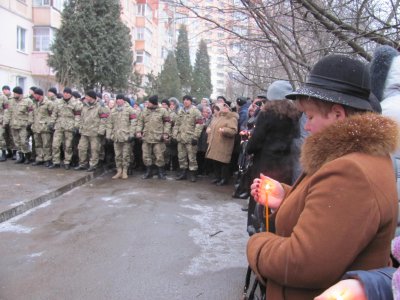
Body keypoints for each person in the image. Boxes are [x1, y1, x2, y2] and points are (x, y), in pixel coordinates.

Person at [246, 54, 399, 300]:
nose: (306, 126)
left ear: (338, 115)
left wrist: (258, 244)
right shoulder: (356, 156)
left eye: (312, 116)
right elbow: (332, 221)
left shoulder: (351, 172)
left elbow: (303, 262)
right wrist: (287, 196)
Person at [245, 80, 300, 235]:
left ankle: (256, 229)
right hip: (285, 166)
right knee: (279, 199)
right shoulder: (295, 115)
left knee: (259, 197)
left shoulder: (267, 114)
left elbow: (256, 141)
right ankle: (275, 229)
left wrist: (248, 148)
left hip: (265, 164)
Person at [136, 95, 171, 180]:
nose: (148, 103)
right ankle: (148, 172)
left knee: (159, 156)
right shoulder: (144, 111)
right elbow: (140, 122)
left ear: (154, 103)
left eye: (149, 102)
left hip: (158, 138)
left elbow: (167, 123)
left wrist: (165, 133)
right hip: (146, 137)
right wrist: (138, 131)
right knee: (146, 156)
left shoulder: (162, 111)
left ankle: (160, 172)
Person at [74, 90, 109, 172]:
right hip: (84, 131)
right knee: (81, 148)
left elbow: (104, 119)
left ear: (91, 97)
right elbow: (80, 116)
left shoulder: (100, 106)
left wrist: (101, 131)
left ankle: (93, 165)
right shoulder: (84, 106)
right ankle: (82, 164)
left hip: (95, 132)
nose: (85, 98)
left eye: (87, 96)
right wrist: (78, 127)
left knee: (94, 149)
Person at [48, 87, 82, 169]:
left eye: (67, 93)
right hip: (59, 125)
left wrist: (76, 126)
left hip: (70, 126)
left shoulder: (76, 103)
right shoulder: (58, 102)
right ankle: (56, 162)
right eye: (64, 93)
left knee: (68, 146)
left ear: (70, 94)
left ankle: (67, 162)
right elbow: (54, 113)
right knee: (55, 144)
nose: (66, 94)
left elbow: (78, 115)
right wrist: (52, 122)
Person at [206, 102, 238, 186]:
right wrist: (209, 129)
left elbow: (233, 130)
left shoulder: (231, 118)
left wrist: (224, 130)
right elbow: (212, 125)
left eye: (226, 107)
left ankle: (224, 179)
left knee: (223, 162)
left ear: (229, 108)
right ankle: (217, 177)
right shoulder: (218, 117)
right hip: (215, 143)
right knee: (215, 161)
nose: (224, 108)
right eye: (223, 107)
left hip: (224, 144)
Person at [173, 95, 204, 182]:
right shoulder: (181, 111)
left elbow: (199, 125)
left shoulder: (196, 111)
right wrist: (175, 135)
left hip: (190, 139)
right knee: (181, 157)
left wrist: (195, 137)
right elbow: (177, 124)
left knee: (192, 157)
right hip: (181, 138)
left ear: (190, 101)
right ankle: (183, 173)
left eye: (187, 100)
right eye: (184, 100)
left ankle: (193, 174)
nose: (185, 101)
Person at [106, 94, 138, 179]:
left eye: (120, 99)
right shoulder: (113, 111)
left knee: (126, 155)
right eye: (117, 99)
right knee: (117, 155)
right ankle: (119, 170)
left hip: (126, 137)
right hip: (116, 137)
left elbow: (133, 123)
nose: (118, 100)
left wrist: (131, 134)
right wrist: (108, 135)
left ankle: (125, 171)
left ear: (124, 100)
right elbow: (109, 123)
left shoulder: (130, 110)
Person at [3, 86, 34, 163]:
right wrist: (5, 122)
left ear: (20, 94)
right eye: (13, 93)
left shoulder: (28, 101)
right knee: (17, 142)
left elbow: (31, 113)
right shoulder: (10, 101)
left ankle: (27, 156)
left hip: (23, 125)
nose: (14, 94)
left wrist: (29, 123)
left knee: (24, 141)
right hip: (13, 125)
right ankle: (21, 157)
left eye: (15, 93)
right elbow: (8, 112)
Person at [31, 88, 54, 167]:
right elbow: (32, 114)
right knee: (38, 144)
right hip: (36, 127)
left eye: (35, 94)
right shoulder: (34, 103)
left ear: (39, 95)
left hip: (45, 128)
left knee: (46, 144)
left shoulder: (48, 103)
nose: (34, 96)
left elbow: (53, 115)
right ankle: (39, 158)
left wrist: (50, 124)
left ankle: (47, 159)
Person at [0, 85, 10, 161]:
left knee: (1, 137)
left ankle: (3, 153)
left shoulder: (3, 98)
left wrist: (5, 122)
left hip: (1, 121)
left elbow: (6, 110)